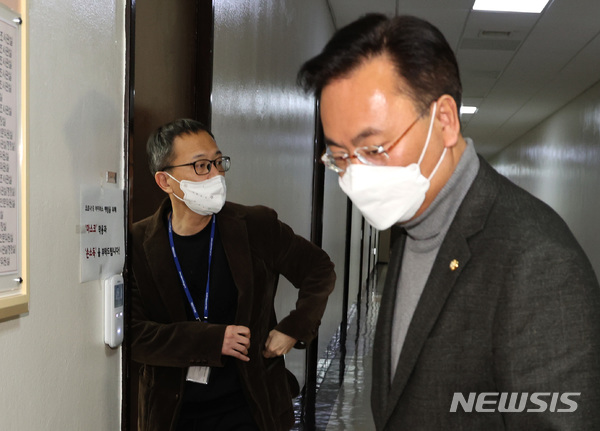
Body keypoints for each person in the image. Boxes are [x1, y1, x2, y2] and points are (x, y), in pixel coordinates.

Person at [297, 13, 600, 430]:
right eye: (340, 156)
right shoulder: (415, 221)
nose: (355, 174)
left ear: (444, 121)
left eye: (374, 148)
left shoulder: (538, 261)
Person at [128, 119, 336, 431]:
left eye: (218, 162)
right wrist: (212, 340)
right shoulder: (137, 243)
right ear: (165, 181)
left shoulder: (255, 226)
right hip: (174, 412)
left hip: (252, 407)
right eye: (201, 166)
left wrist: (295, 327)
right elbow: (134, 334)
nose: (216, 175)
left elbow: (318, 268)